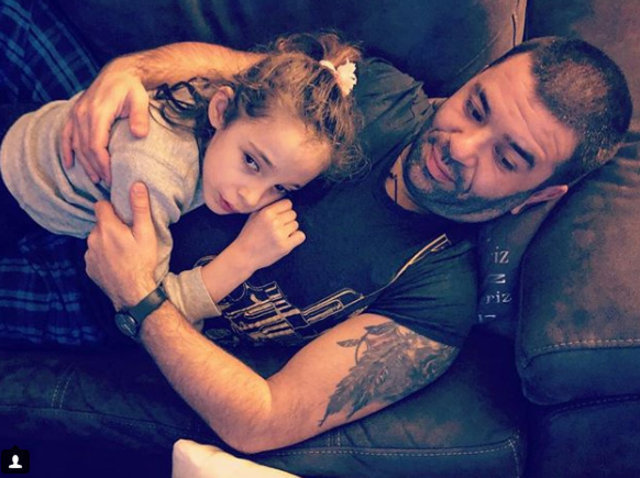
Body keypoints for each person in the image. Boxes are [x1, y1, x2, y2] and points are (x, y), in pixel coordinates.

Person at [65, 34, 632, 456]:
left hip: (85, 301)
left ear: (538, 196)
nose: (461, 146)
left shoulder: (436, 300)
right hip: (86, 167)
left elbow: (262, 420)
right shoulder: (372, 89)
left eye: (506, 158)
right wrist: (132, 70)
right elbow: (235, 71)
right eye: (475, 108)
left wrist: (137, 297)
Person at [0, 33, 363, 340]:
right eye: (252, 162)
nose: (251, 197)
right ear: (220, 109)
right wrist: (242, 258)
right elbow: (145, 306)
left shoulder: (222, 97)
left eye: (281, 188)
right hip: (18, 191)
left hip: (35, 128)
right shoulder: (153, 174)